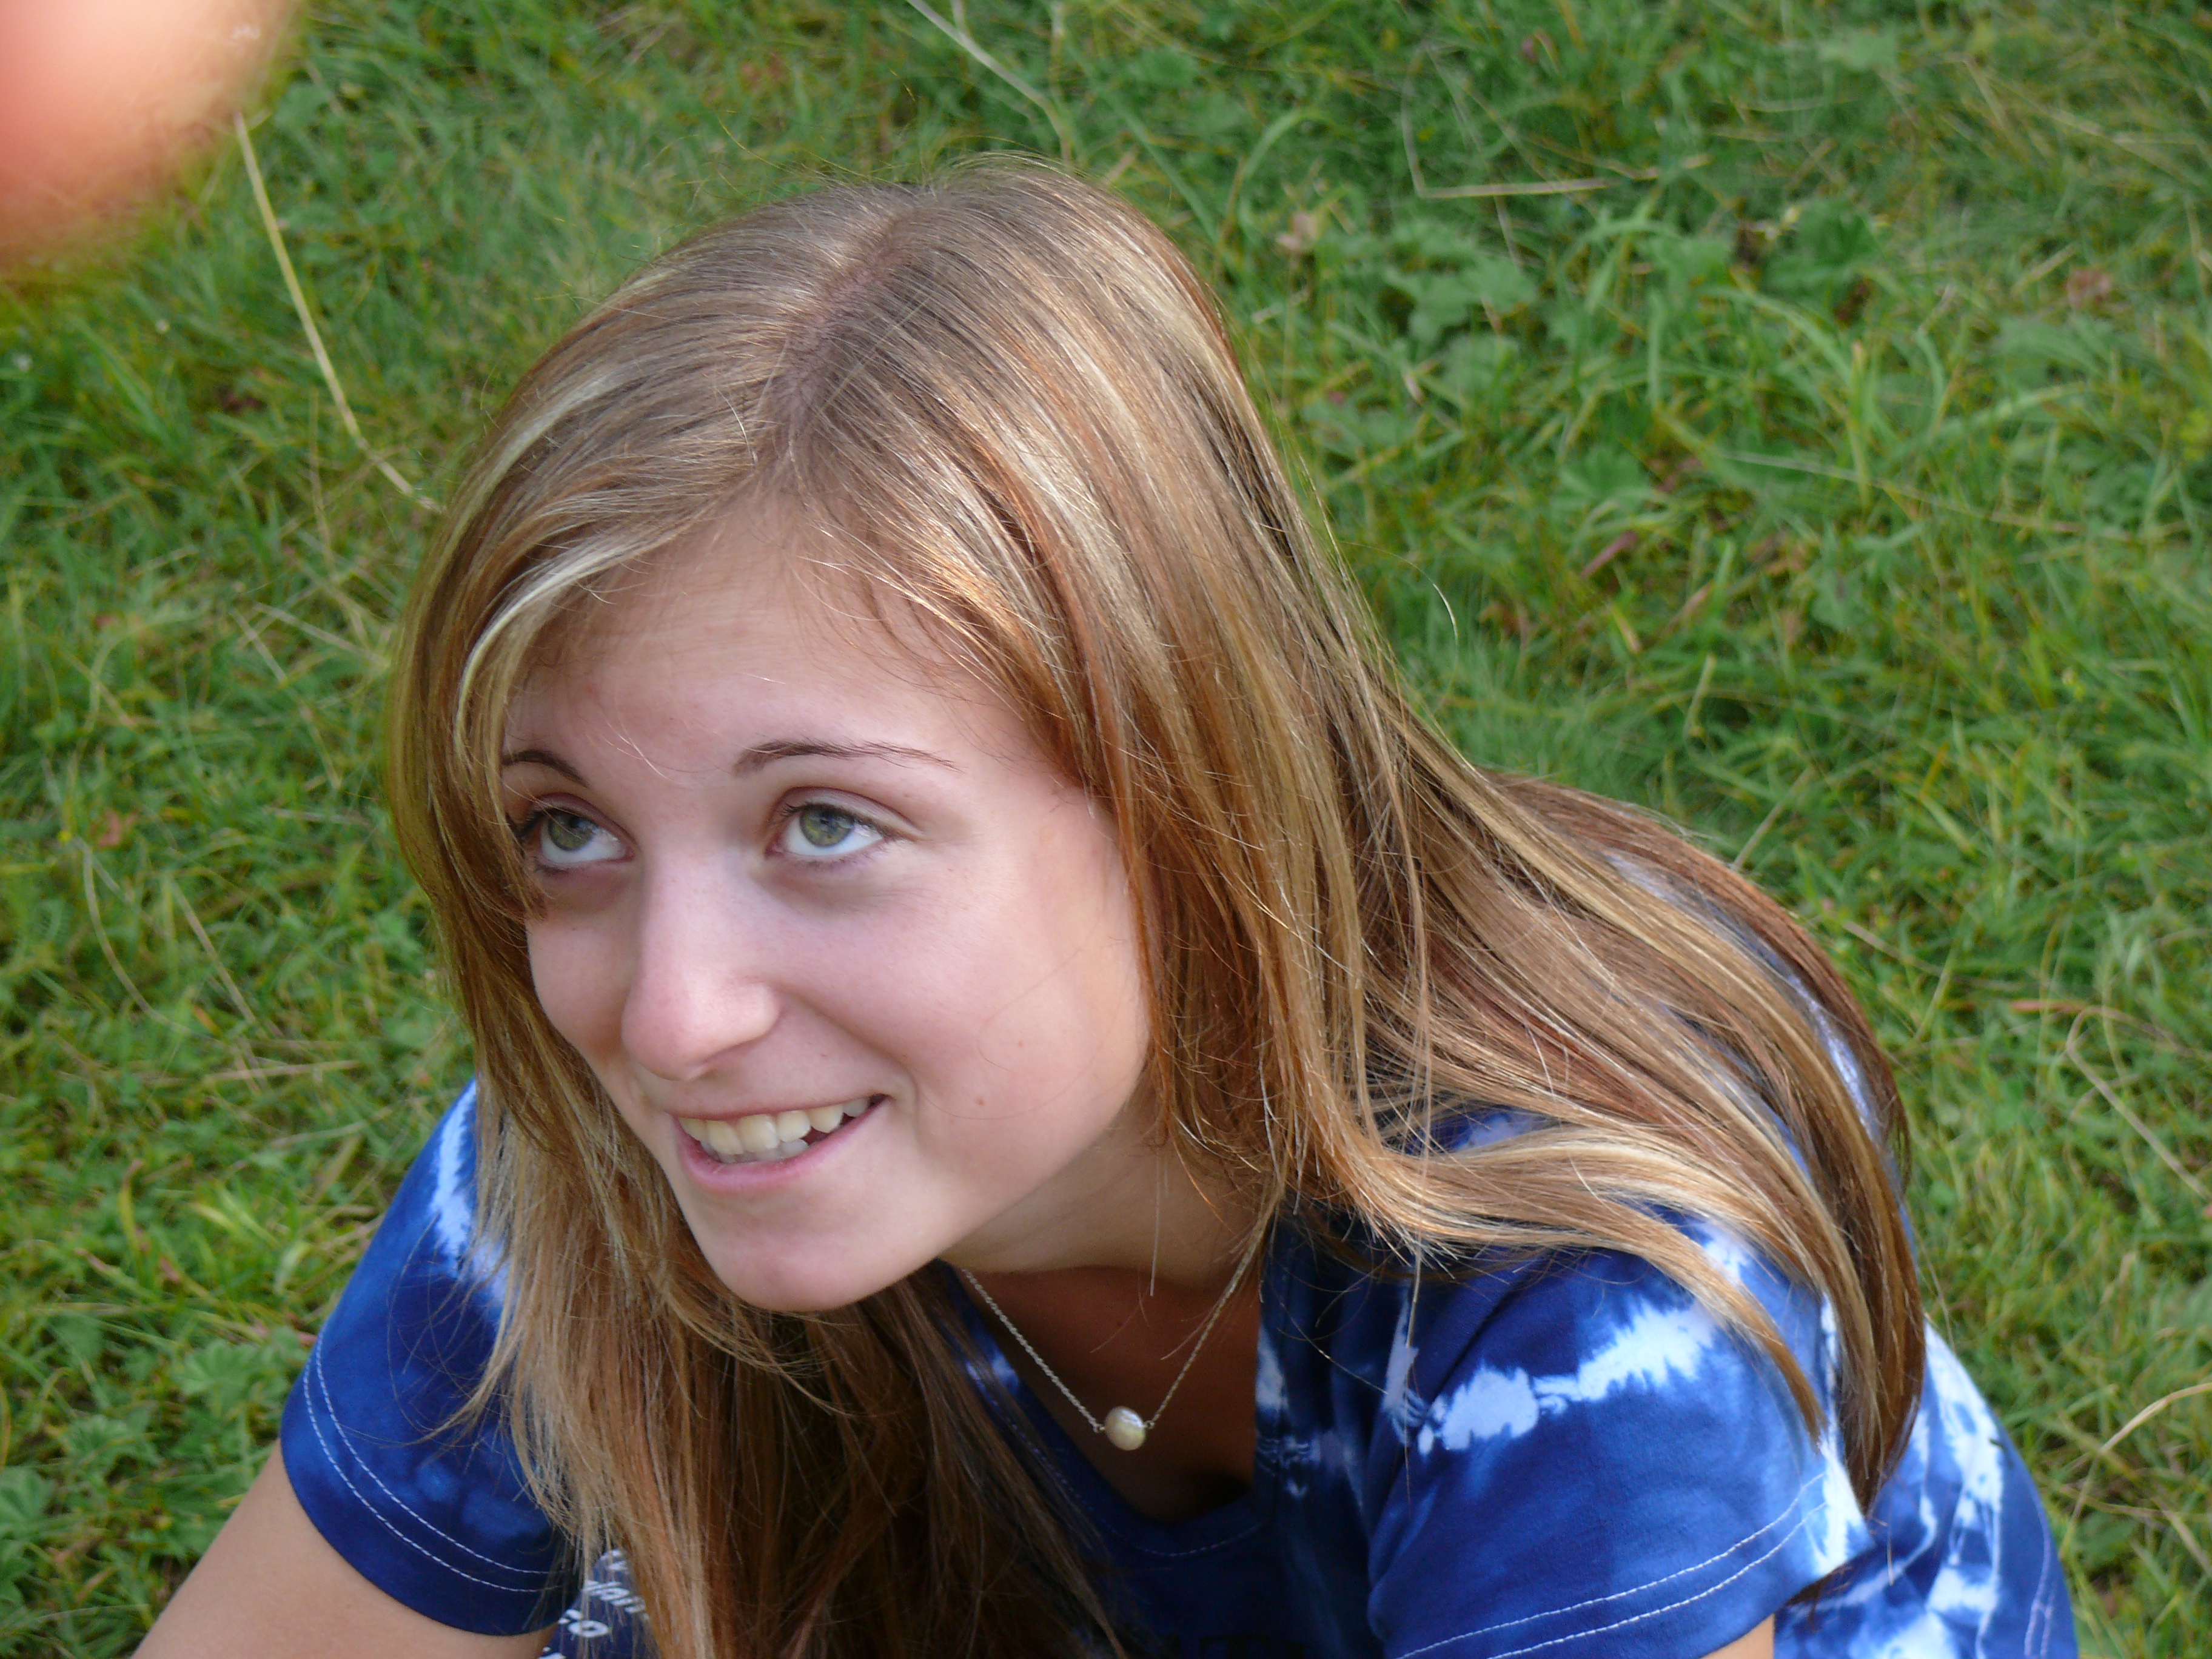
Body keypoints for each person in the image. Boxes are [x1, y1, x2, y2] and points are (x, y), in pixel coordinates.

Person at [137, 163, 2074, 1659]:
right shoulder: (610, 1163)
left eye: (824, 823)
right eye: (569, 830)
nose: (667, 1016)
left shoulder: (1578, 1247)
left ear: (1182, 789)